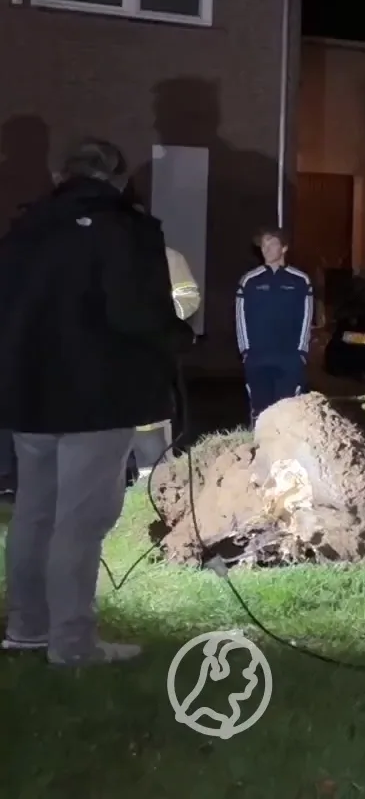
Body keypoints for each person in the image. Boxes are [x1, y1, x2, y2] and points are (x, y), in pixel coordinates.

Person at [0, 138, 192, 665]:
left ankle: (25, 628)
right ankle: (71, 644)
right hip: (97, 397)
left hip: (29, 395)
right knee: (80, 522)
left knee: (35, 513)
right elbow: (134, 314)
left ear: (62, 175)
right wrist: (177, 338)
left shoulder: (23, 229)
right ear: (116, 177)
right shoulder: (125, 230)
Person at [129, 244, 201, 477]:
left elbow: (188, 297)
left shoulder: (168, 257)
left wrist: (159, 317)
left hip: (150, 359)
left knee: (148, 432)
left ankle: (152, 491)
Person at [236, 227, 313, 423]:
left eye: (272, 244)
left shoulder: (300, 280)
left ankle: (286, 453)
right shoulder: (249, 281)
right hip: (258, 358)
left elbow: (307, 317)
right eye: (263, 246)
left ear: (284, 248)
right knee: (260, 413)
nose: (266, 250)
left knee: (288, 413)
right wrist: (246, 351)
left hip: (289, 359)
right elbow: (240, 319)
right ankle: (259, 451)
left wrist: (301, 352)